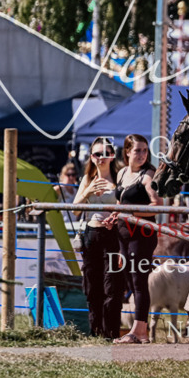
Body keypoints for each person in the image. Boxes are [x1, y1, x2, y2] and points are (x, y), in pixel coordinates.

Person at [113, 134, 162, 344]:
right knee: (130, 280)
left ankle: (140, 330)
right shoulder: (122, 173)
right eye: (137, 150)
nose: (142, 155)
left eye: (144, 150)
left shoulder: (148, 175)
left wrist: (132, 212)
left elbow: (157, 205)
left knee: (139, 281)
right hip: (122, 233)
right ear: (127, 152)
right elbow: (119, 203)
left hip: (142, 235)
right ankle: (137, 329)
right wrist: (115, 217)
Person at [72, 137, 121, 339]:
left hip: (112, 234)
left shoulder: (119, 178)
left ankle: (111, 332)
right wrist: (88, 192)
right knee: (92, 286)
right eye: (96, 154)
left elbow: (124, 205)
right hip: (91, 235)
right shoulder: (87, 179)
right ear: (91, 157)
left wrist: (115, 215)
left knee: (112, 285)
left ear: (112, 155)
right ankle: (95, 332)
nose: (101, 158)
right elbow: (75, 210)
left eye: (105, 153)